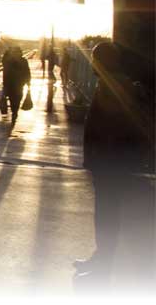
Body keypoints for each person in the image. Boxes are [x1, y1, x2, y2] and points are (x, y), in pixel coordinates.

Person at [76, 42, 155, 288]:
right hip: (110, 162)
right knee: (108, 214)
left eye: (95, 59)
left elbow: (113, 128)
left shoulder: (114, 87)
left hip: (112, 163)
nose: (92, 64)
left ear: (104, 61)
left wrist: (104, 157)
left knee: (108, 215)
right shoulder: (113, 83)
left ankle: (103, 268)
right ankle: (101, 259)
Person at [2, 46, 31, 125]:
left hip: (12, 85)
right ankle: (15, 112)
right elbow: (27, 72)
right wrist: (28, 82)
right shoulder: (23, 61)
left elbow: (4, 66)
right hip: (18, 85)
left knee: (14, 99)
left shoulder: (9, 61)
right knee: (16, 99)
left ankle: (14, 111)